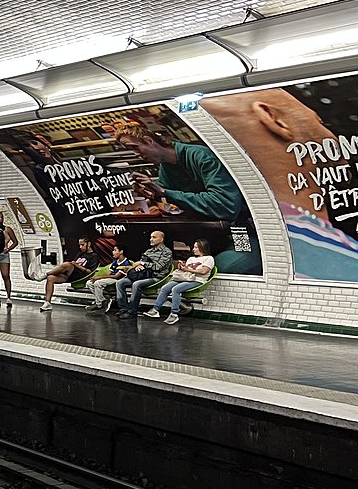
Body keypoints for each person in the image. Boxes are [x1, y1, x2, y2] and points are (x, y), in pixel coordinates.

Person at [201, 89, 358, 281]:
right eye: (320, 122)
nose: (332, 136)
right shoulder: (341, 264)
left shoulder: (247, 227)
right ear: (273, 119)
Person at [114, 122, 260, 274]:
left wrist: (165, 192)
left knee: (227, 268)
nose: (136, 154)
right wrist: (154, 197)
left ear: (149, 141)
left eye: (135, 147)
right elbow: (170, 204)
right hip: (205, 236)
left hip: (238, 231)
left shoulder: (201, 156)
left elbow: (225, 205)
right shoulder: (166, 167)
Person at [144, 239, 214, 324]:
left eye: (196, 247)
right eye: (194, 247)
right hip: (185, 278)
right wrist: (182, 267)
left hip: (198, 280)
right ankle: (155, 310)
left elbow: (204, 272)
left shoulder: (209, 258)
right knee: (165, 288)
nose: (193, 249)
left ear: (202, 248)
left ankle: (174, 314)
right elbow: (187, 271)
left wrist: (188, 269)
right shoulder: (191, 258)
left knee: (176, 289)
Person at [116, 229, 174, 319]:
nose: (151, 239)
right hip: (143, 274)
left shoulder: (167, 252)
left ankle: (132, 312)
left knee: (136, 284)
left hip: (156, 277)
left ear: (161, 239)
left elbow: (158, 267)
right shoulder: (148, 251)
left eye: (154, 237)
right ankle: (123, 309)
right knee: (120, 282)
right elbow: (140, 263)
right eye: (150, 237)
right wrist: (138, 266)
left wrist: (143, 264)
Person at [39, 236, 99, 311]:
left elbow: (90, 272)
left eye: (82, 245)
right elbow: (74, 264)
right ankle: (47, 303)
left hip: (81, 276)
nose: (80, 247)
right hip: (71, 275)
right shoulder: (80, 254)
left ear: (89, 244)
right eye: (79, 245)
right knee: (50, 278)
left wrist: (76, 265)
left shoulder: (94, 256)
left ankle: (45, 274)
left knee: (67, 264)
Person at [85, 244, 133, 313]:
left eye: (115, 250)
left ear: (121, 252)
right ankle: (105, 299)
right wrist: (98, 278)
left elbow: (116, 276)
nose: (113, 252)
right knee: (89, 283)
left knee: (97, 283)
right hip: (110, 278)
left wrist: (100, 278)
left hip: (117, 280)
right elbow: (109, 273)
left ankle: (99, 304)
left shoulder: (126, 263)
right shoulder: (115, 261)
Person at [0, 210, 20, 307]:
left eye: (1, 217)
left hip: (3, 255)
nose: (0, 219)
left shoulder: (7, 229)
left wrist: (8, 249)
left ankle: (8, 297)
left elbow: (15, 242)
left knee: (5, 275)